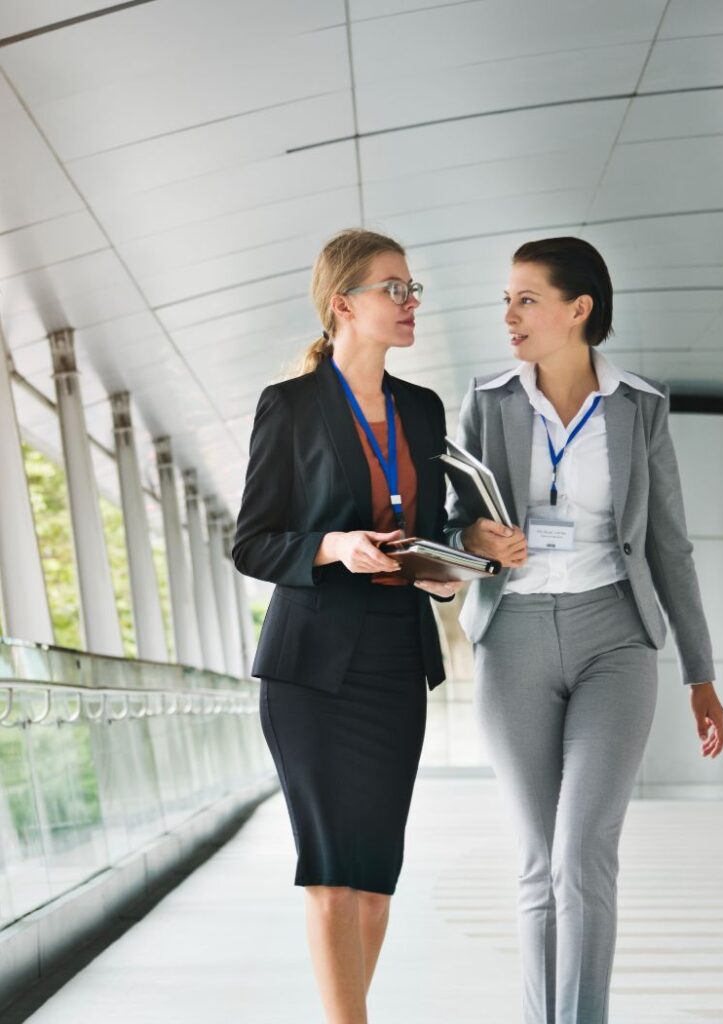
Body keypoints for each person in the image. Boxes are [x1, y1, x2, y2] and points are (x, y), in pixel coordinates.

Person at [445, 236, 723, 1024]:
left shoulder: (640, 405)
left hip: (616, 637)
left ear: (579, 310)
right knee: (539, 863)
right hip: (515, 636)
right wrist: (477, 540)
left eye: (526, 299)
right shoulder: (488, 399)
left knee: (582, 856)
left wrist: (700, 673)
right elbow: (452, 522)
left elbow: (669, 544)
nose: (509, 315)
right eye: (505, 299)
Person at [232, 228, 462, 1024]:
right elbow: (253, 542)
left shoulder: (423, 411)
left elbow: (430, 530)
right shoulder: (289, 407)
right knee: (331, 871)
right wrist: (334, 546)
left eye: (411, 289)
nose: (410, 303)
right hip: (311, 673)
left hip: (396, 664)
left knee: (374, 880)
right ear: (344, 305)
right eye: (392, 289)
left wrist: (457, 559)